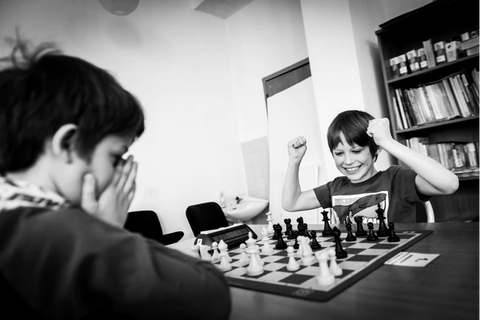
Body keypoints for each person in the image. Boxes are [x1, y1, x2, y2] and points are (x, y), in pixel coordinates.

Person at [0, 37, 231, 319]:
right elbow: (211, 296)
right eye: (115, 157)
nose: (118, 173)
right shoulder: (63, 231)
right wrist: (106, 229)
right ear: (68, 144)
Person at [282, 110, 459, 224]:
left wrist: (388, 142)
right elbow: (291, 203)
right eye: (339, 153)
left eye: (357, 151)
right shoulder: (335, 188)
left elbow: (449, 184)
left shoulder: (396, 180)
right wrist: (295, 160)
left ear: (376, 149)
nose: (348, 161)